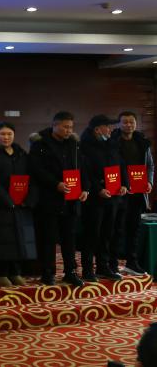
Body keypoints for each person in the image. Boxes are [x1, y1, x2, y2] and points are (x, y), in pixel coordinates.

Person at [29, 111, 89, 286]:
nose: (69, 130)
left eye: (71, 127)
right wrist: (56, 184)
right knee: (48, 239)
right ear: (54, 125)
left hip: (71, 199)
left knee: (69, 239)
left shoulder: (74, 144)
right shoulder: (40, 144)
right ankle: (48, 273)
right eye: (65, 127)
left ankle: (70, 272)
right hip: (49, 199)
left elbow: (82, 168)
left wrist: (85, 188)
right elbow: (36, 170)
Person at [0, 122, 37, 286]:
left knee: (19, 238)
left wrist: (28, 199)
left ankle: (15, 272)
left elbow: (31, 177)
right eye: (2, 134)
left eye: (9, 134)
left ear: (14, 135)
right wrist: (7, 200)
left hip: (20, 205)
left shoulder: (21, 154)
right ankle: (0, 273)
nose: (6, 137)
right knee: (2, 240)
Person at [80, 114, 128, 282]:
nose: (110, 129)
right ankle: (87, 269)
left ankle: (103, 266)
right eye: (107, 126)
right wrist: (98, 189)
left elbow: (121, 166)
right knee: (92, 234)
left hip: (113, 196)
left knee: (108, 233)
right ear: (97, 129)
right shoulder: (85, 146)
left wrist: (124, 184)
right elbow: (86, 173)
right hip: (95, 198)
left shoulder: (112, 144)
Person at [112, 111, 154, 276]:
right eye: (125, 122)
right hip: (119, 192)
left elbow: (150, 166)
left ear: (136, 124)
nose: (128, 125)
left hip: (137, 192)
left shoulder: (142, 142)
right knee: (116, 229)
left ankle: (132, 262)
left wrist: (149, 182)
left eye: (131, 122)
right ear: (118, 124)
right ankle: (112, 263)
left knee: (134, 228)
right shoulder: (112, 142)